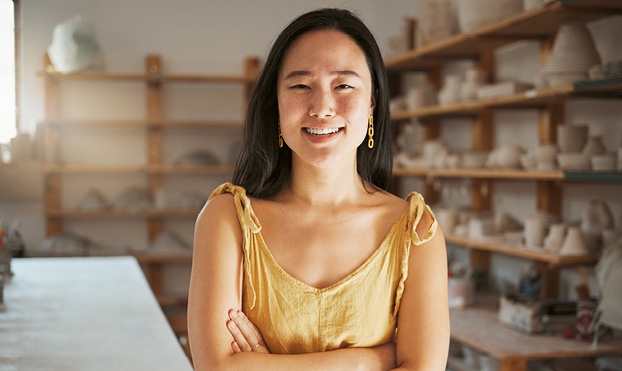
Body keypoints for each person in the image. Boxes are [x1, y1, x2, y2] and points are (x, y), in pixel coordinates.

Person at [188, 8, 449, 370]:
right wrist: (373, 360)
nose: (323, 107)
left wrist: (266, 365)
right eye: (300, 86)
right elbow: (218, 368)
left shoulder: (416, 232)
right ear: (276, 104)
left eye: (343, 85)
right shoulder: (227, 219)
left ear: (372, 103)